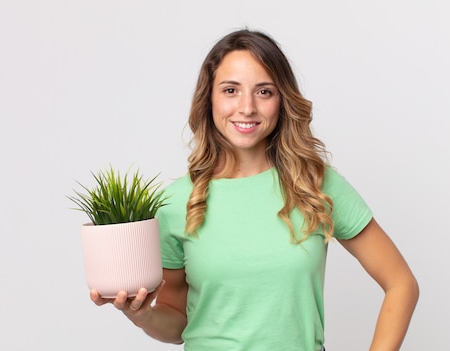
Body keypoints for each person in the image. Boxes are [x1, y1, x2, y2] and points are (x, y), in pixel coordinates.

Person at [91, 29, 419, 351]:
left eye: (264, 91)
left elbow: (401, 284)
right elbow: (178, 323)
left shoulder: (314, 184)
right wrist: (142, 316)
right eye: (231, 90)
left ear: (282, 100)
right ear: (209, 99)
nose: (247, 107)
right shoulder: (177, 202)